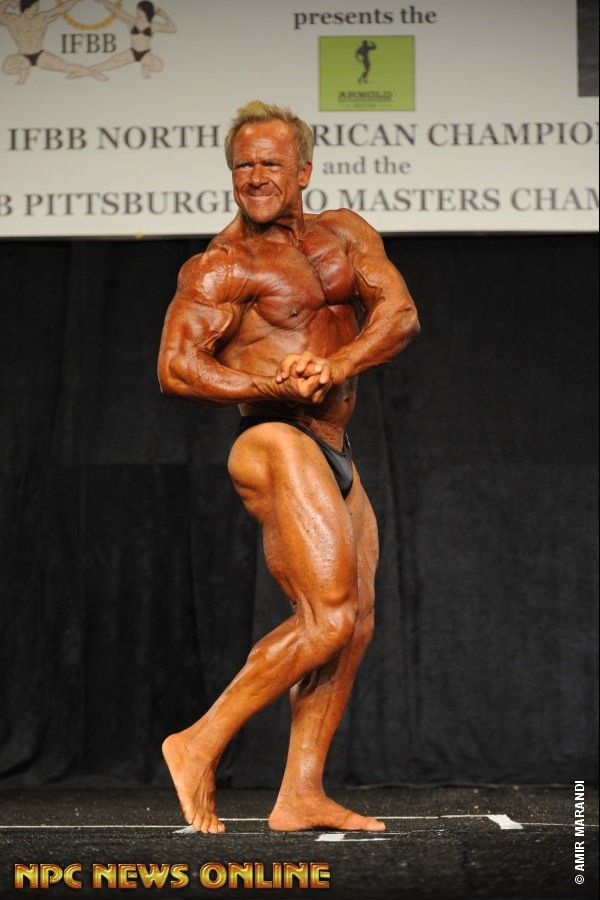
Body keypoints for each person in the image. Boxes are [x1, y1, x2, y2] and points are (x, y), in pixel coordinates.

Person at [157, 100, 419, 834]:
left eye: (270, 163)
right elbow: (176, 367)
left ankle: (300, 792)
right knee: (326, 616)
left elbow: (399, 316)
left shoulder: (347, 233)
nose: (255, 176)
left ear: (303, 170)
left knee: (354, 623)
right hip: (273, 438)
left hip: (332, 447)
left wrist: (336, 364)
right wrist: (266, 385)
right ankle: (197, 742)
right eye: (242, 164)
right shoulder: (222, 265)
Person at [0, 0, 96, 84]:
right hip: (22, 56)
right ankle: (24, 69)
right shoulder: (13, 20)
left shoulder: (42, 17)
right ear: (28, 7)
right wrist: (6, 2)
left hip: (39, 55)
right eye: (35, 6)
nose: (37, 8)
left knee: (66, 66)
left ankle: (91, 72)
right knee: (6, 69)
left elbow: (61, 9)